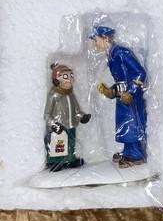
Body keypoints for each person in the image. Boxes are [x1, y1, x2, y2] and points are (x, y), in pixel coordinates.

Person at [90, 25, 147, 168]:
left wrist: (130, 92)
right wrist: (112, 92)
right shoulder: (111, 55)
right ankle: (128, 151)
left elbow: (140, 73)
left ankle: (136, 155)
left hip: (131, 97)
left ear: (105, 38)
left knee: (132, 124)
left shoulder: (121, 52)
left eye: (96, 40)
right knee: (124, 124)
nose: (95, 44)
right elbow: (121, 81)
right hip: (122, 96)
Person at [44, 63, 91, 171]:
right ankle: (54, 162)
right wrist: (54, 124)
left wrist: (82, 117)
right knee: (57, 144)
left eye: (71, 76)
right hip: (59, 126)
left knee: (70, 143)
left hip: (71, 125)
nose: (69, 79)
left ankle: (69, 160)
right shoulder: (54, 95)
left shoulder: (71, 95)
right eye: (65, 76)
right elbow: (47, 114)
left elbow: (76, 110)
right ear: (56, 80)